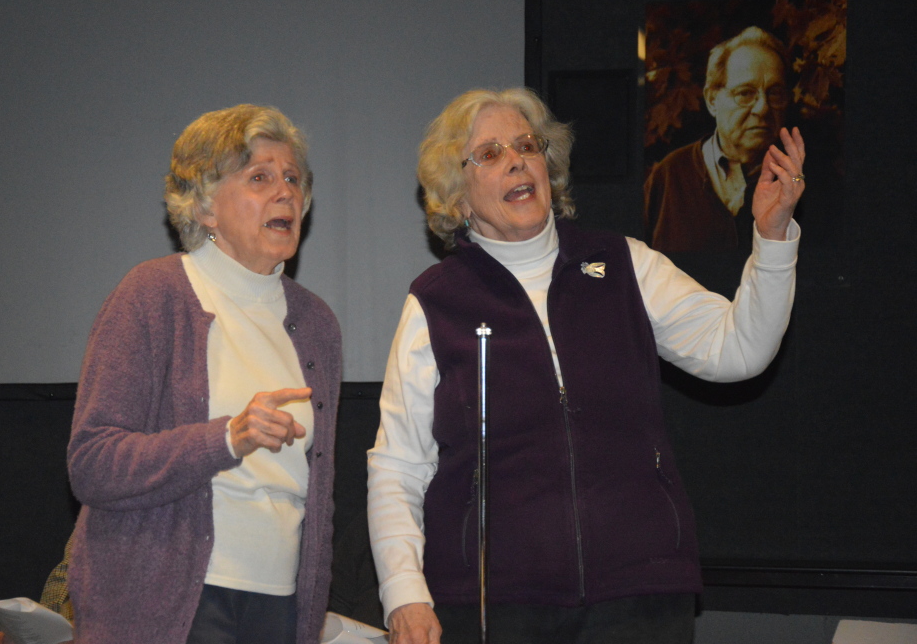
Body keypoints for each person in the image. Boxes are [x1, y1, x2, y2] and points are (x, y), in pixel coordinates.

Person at [367, 87, 805, 644]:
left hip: (640, 593)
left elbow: (740, 349)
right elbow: (397, 467)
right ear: (458, 195)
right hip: (495, 604)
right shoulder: (436, 301)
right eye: (491, 153)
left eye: (527, 145)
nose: (518, 160)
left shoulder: (626, 265)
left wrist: (771, 240)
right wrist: (403, 593)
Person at [65, 105, 341, 644]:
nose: (285, 193)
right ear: (206, 207)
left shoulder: (316, 325)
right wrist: (226, 438)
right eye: (259, 177)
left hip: (279, 607)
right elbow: (92, 464)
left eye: (292, 179)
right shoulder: (153, 294)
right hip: (168, 602)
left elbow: (320, 501)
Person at [645, 26, 790, 252]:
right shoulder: (668, 176)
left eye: (774, 93)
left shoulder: (803, 180)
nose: (762, 108)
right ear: (712, 100)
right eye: (745, 93)